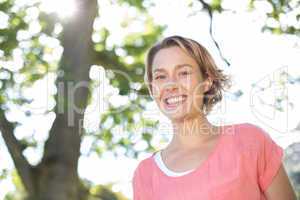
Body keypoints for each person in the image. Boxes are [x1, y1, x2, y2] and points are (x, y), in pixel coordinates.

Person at [132, 35, 296, 200]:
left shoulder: (249, 141)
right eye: (161, 76)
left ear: (207, 81)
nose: (171, 85)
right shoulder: (145, 174)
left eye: (183, 73)